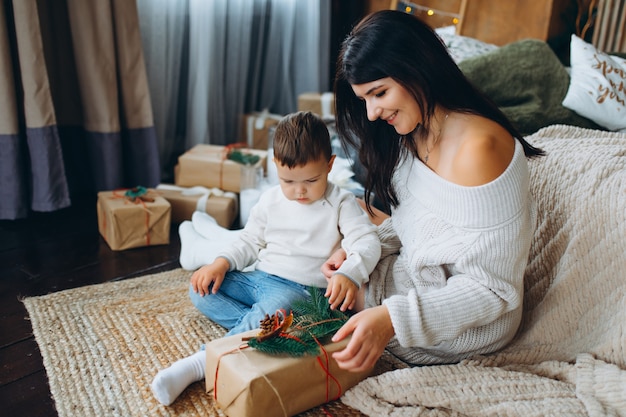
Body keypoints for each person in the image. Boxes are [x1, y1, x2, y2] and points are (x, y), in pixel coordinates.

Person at [324, 10, 545, 373]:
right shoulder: (414, 132)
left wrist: (391, 319)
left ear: (417, 69)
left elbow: (492, 291)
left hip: (473, 319)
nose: (373, 112)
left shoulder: (479, 149)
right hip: (424, 281)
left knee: (325, 300)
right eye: (364, 98)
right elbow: (429, 226)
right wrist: (372, 244)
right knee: (328, 260)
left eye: (379, 93)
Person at [151, 110, 381, 405]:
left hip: (298, 291)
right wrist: (220, 263)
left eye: (311, 180)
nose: (299, 191)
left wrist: (350, 272)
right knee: (201, 290)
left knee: (276, 307)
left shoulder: (341, 202)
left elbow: (367, 240)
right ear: (275, 167)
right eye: (288, 181)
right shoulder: (271, 200)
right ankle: (270, 329)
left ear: (330, 165)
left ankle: (199, 363)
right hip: (260, 280)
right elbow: (248, 240)